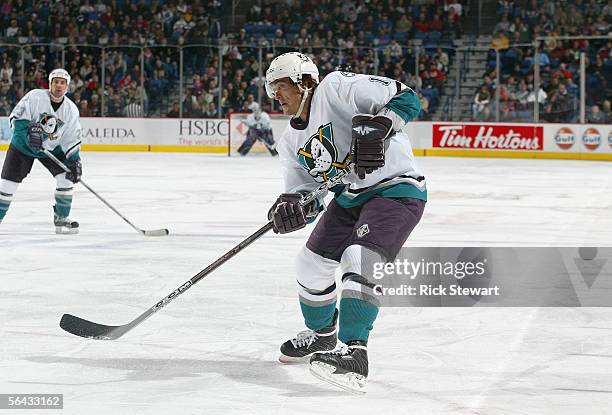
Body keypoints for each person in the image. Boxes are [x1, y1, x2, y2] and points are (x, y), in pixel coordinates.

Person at [265, 52, 426, 393]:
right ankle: (323, 336)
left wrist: (380, 127)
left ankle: (355, 353)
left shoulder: (336, 88)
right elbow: (305, 196)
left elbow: (407, 97)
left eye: (279, 86)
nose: (274, 96)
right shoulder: (290, 143)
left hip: (396, 188)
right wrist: (289, 208)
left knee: (359, 258)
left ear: (304, 82)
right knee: (309, 264)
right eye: (271, 89)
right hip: (349, 198)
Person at [0, 68, 82, 234]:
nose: (59, 86)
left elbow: (71, 139)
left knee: (66, 178)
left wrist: (74, 161)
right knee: (7, 185)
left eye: (62, 83)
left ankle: (61, 218)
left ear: (67, 87)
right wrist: (28, 137)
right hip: (22, 147)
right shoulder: (35, 96)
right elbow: (17, 119)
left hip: (50, 148)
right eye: (56, 82)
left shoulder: (71, 110)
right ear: (50, 84)